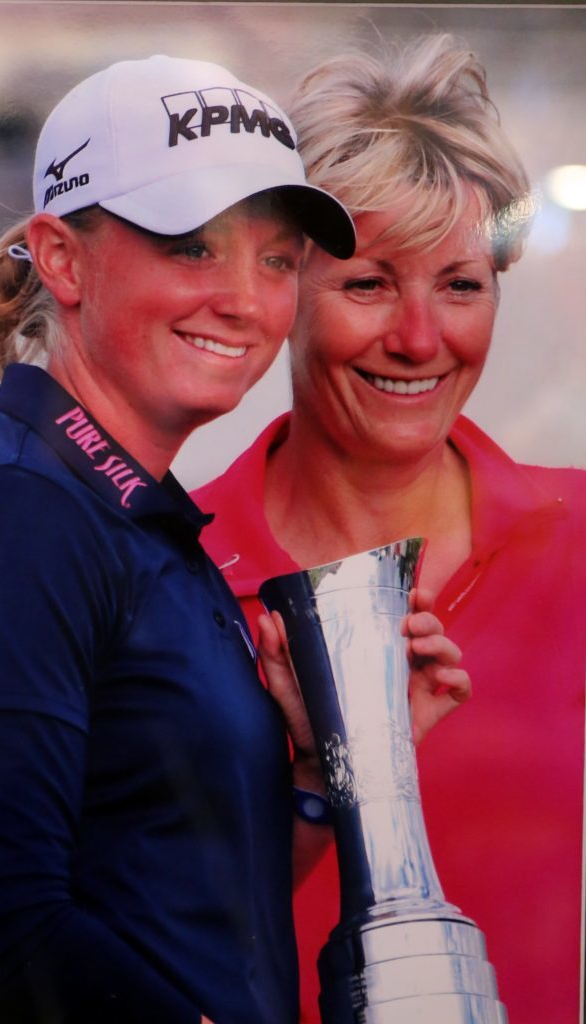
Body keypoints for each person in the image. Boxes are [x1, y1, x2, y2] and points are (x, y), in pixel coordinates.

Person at [0, 54, 468, 1024]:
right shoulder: (12, 503)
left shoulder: (142, 518)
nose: (244, 301)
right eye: (192, 247)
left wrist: (313, 769)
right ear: (62, 257)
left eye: (278, 259)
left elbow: (197, 909)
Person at [193, 35, 586, 1024]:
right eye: (367, 283)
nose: (419, 338)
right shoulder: (163, 566)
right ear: (281, 295)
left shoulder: (578, 537)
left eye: (458, 285)